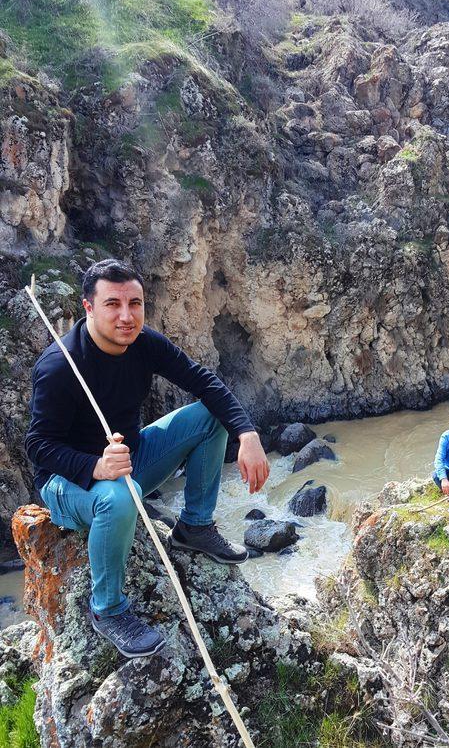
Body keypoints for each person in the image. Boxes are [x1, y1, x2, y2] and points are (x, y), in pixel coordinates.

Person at [25, 259, 270, 658]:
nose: (126, 316)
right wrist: (96, 467)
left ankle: (195, 527)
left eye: (135, 303)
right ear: (88, 307)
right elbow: (38, 446)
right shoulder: (59, 367)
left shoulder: (142, 342)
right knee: (120, 495)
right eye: (113, 304)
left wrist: (247, 433)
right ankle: (107, 609)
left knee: (210, 415)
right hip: (66, 485)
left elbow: (202, 381)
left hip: (131, 460)